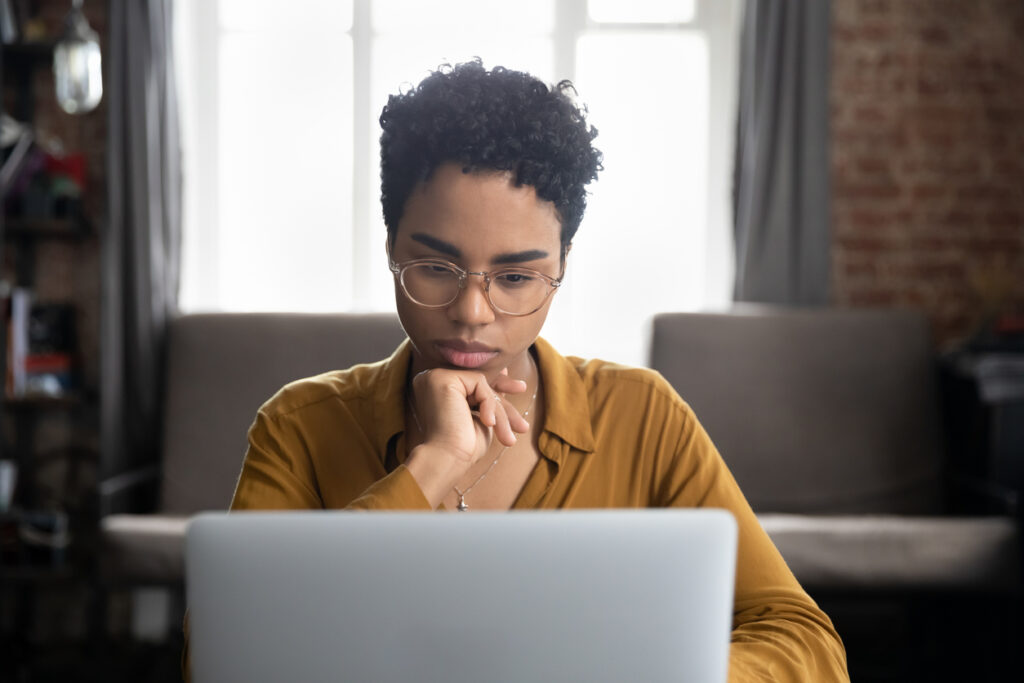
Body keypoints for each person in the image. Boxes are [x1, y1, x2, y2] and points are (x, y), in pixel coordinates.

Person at [185, 60, 848, 682]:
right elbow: (228, 660)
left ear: (562, 266)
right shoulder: (298, 426)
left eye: (516, 275)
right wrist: (430, 467)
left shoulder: (643, 415)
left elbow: (805, 639)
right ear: (391, 246)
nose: (473, 311)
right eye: (437, 267)